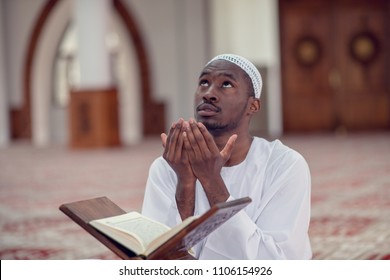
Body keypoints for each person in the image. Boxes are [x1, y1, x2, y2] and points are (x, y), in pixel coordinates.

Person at [141, 54, 312, 259]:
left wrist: (212, 181)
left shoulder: (285, 165)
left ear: (253, 106)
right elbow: (157, 258)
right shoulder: (169, 166)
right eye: (204, 82)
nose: (209, 93)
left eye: (226, 84)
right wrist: (185, 184)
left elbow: (275, 261)